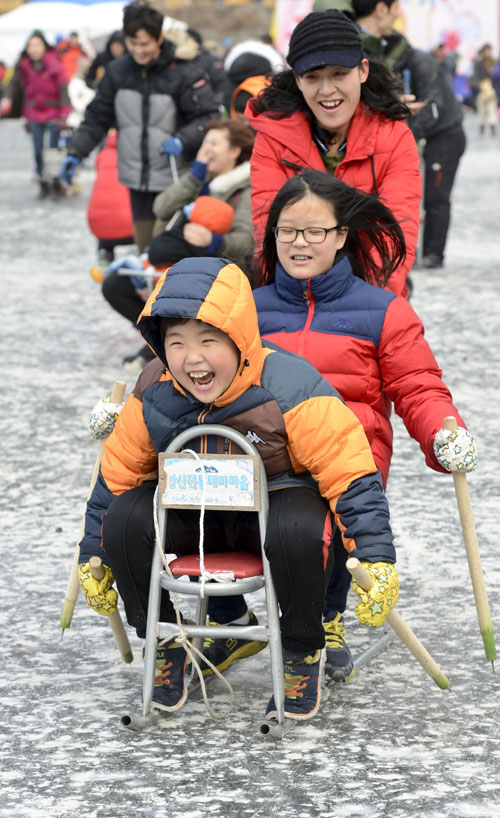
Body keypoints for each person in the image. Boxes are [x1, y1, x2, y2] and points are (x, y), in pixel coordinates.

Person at [77, 255, 399, 721]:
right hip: (193, 517)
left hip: (273, 512)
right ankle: (166, 640)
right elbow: (117, 478)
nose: (193, 358)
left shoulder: (290, 386)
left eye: (209, 340)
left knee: (298, 526)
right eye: (177, 342)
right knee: (124, 518)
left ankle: (300, 650)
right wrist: (95, 555)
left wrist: (375, 557)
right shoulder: (154, 388)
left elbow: (349, 474)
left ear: (240, 337)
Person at [227, 169, 474, 682]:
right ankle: (226, 616)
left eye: (315, 231)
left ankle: (325, 617)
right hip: (258, 452)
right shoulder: (249, 309)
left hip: (347, 455)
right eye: (287, 230)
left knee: (325, 508)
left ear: (341, 236)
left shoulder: (383, 310)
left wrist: (443, 430)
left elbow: (419, 386)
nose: (299, 243)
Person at [245, 9, 421, 299]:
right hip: (295, 299)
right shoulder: (272, 139)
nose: (327, 90)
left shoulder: (395, 137)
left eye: (339, 73)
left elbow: (395, 237)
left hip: (373, 298)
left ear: (362, 70)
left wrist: (354, 309)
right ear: (298, 80)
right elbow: (272, 237)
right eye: (313, 77)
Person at [60, 2, 220, 253]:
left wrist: (182, 139)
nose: (138, 50)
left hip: (176, 179)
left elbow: (208, 118)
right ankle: (148, 292)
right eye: (132, 43)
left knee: (172, 252)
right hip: (136, 180)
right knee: (146, 250)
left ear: (158, 38)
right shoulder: (117, 71)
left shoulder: (184, 72)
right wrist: (75, 152)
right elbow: (97, 118)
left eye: (144, 44)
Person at [102, 117, 255, 371]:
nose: (206, 149)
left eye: (215, 143)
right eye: (205, 142)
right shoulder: (198, 181)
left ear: (235, 151)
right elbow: (161, 207)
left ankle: (160, 348)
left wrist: (213, 240)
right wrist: (195, 176)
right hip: (171, 265)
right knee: (115, 285)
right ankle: (158, 342)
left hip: (211, 273)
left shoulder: (243, 191)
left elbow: (245, 242)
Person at [351, 0, 467, 270]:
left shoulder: (420, 62)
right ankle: (410, 251)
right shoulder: (401, 59)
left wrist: (402, 136)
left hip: (446, 134)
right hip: (421, 133)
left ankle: (433, 254)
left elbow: (432, 108)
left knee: (436, 196)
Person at [0, 30, 71, 198]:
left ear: (44, 46)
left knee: (53, 150)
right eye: (31, 46)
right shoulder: (24, 65)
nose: (34, 49)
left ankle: (55, 181)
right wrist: (7, 99)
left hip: (53, 111)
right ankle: (42, 181)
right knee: (38, 150)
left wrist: (64, 114)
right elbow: (14, 84)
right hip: (33, 112)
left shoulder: (54, 64)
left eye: (37, 45)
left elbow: (63, 89)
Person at [470, 44, 498, 137]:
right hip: (481, 89)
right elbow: (474, 77)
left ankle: (493, 127)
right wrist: (479, 86)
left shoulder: (493, 62)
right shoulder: (479, 63)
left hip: (491, 89)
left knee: (491, 109)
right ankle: (481, 126)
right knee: (481, 110)